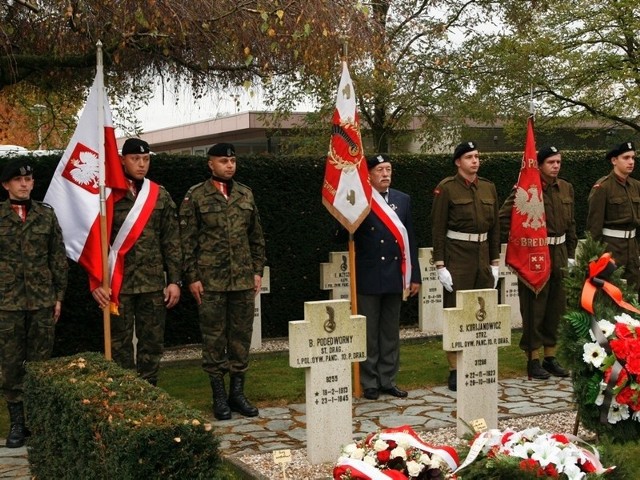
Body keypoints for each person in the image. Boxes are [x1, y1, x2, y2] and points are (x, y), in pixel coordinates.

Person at [179, 142, 266, 421]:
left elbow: (256, 237)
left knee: (241, 339)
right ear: (210, 164)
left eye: (233, 162)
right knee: (214, 339)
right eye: (223, 162)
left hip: (241, 281)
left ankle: (237, 394)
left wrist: (256, 271)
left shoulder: (245, 195)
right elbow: (186, 242)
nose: (229, 166)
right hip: (211, 282)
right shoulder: (196, 196)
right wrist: (191, 277)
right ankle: (218, 396)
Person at [90, 138, 182, 386]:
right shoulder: (107, 195)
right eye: (135, 159)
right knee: (119, 344)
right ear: (122, 160)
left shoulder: (159, 195)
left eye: (146, 159)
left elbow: (172, 241)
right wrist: (97, 280)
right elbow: (93, 242)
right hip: (118, 285)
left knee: (152, 342)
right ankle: (127, 394)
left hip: (152, 285)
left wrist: (174, 280)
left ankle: (149, 391)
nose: (141, 164)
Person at [335, 154, 421, 400]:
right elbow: (340, 235)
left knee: (390, 332)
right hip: (369, 274)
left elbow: (410, 239)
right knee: (369, 333)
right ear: (369, 174)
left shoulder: (402, 200)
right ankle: (369, 381)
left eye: (389, 169)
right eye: (380, 170)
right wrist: (344, 219)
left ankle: (388, 380)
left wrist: (414, 275)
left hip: (395, 274)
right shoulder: (358, 199)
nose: (385, 174)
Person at [0, 159, 68, 448]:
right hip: (7, 303)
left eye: (28, 180)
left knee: (41, 366)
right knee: (12, 364)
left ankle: (40, 423)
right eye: (18, 180)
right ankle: (18, 423)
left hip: (42, 301)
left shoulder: (46, 215)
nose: (25, 184)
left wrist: (58, 297)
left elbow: (58, 257)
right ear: (6, 185)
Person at [499, 146, 576, 379]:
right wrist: (522, 244)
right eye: (551, 162)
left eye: (558, 162)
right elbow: (504, 218)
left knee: (557, 306)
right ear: (539, 165)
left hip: (560, 250)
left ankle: (550, 357)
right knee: (535, 307)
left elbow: (571, 222)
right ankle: (532, 359)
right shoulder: (526, 189)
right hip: (536, 253)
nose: (556, 166)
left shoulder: (566, 188)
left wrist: (571, 254)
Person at [431, 141, 500, 391]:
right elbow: (437, 228)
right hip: (457, 256)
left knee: (482, 310)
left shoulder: (488, 188)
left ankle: (477, 361)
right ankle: (454, 368)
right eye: (469, 157)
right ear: (458, 162)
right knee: (456, 311)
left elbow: (494, 229)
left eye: (477, 156)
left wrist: (495, 261)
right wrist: (440, 265)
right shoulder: (447, 188)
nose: (475, 160)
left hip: (482, 255)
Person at [587, 141, 640, 292]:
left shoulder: (636, 186)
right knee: (612, 294)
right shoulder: (603, 187)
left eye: (633, 158)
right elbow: (594, 227)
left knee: (635, 293)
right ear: (614, 160)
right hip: (611, 249)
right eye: (626, 158)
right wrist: (595, 257)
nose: (631, 162)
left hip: (632, 247)